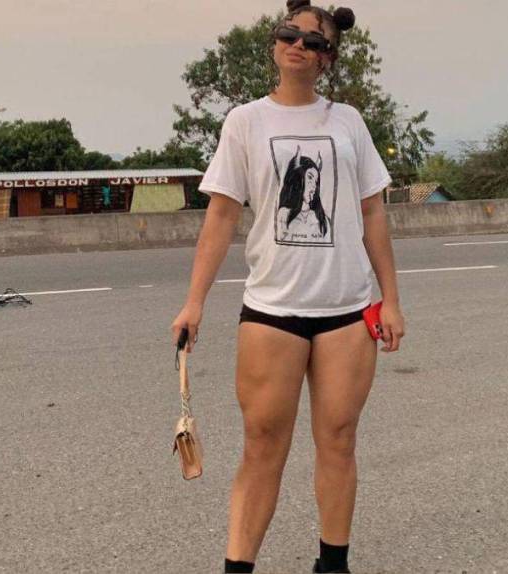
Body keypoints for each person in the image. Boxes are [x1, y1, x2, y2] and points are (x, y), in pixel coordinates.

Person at [170, 1, 405, 572]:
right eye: (289, 34)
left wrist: (391, 300)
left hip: (347, 310)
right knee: (262, 446)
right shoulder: (245, 121)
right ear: (275, 43)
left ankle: (333, 564)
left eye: (314, 41)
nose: (299, 45)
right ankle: (238, 566)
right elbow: (222, 215)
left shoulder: (348, 122)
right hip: (272, 310)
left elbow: (372, 212)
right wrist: (194, 301)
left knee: (339, 440)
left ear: (327, 59)